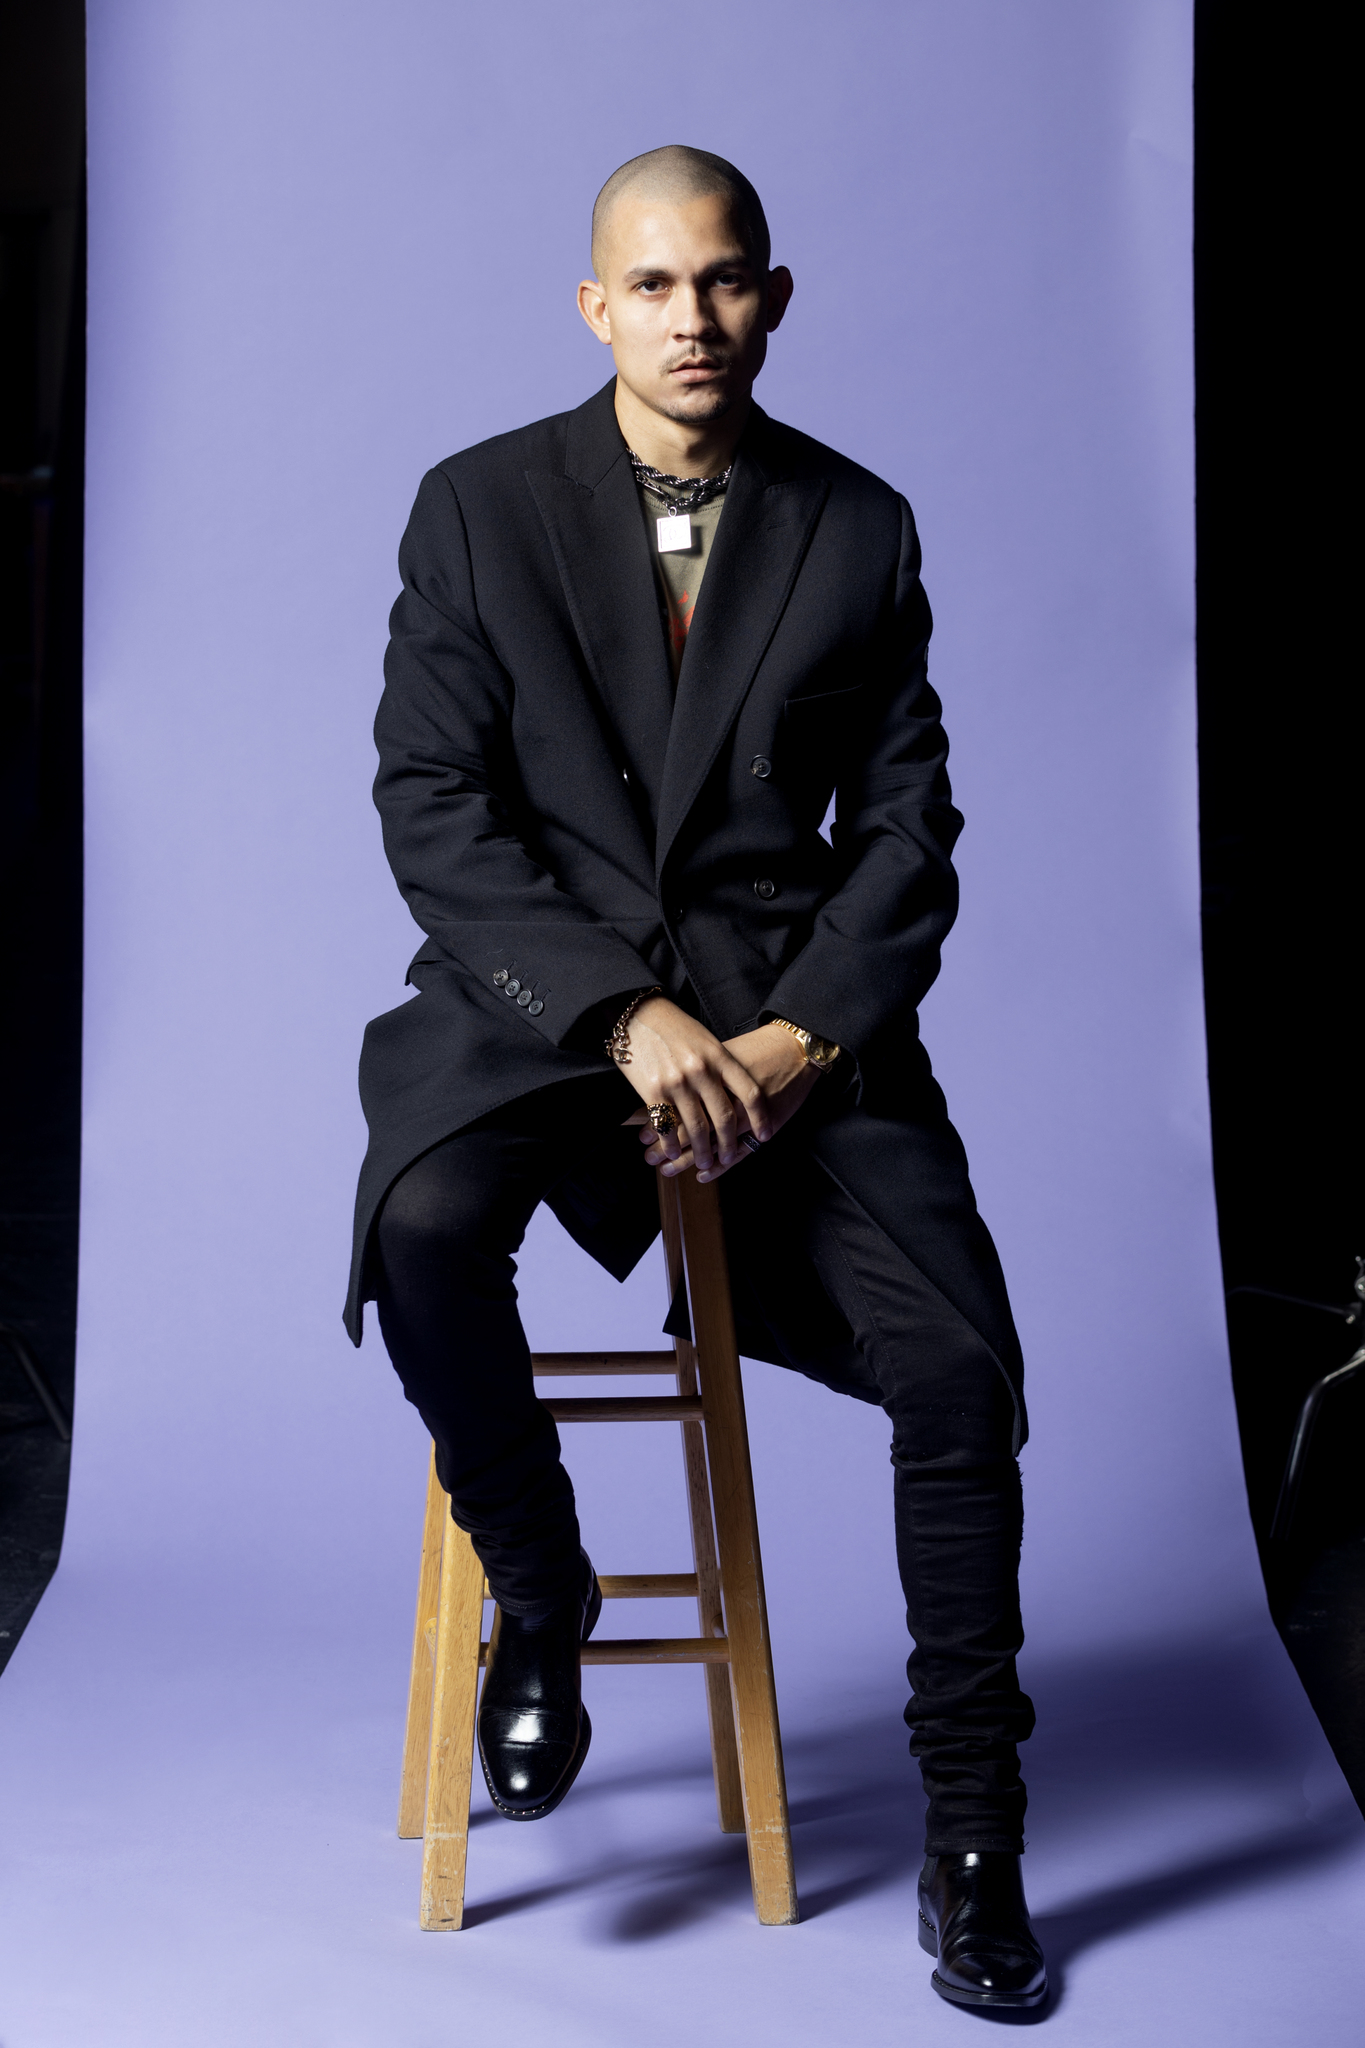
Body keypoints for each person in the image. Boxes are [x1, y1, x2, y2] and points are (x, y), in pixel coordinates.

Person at [346, 145, 1046, 2013]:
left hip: (782, 1023)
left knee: (962, 1374)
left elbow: (906, 830)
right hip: (538, 1009)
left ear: (773, 297)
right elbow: (433, 806)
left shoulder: (857, 523)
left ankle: (975, 1834)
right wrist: (614, 1015)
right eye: (652, 286)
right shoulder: (477, 506)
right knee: (421, 1226)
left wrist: (802, 1037)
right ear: (595, 307)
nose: (692, 319)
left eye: (724, 280)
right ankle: (542, 1588)